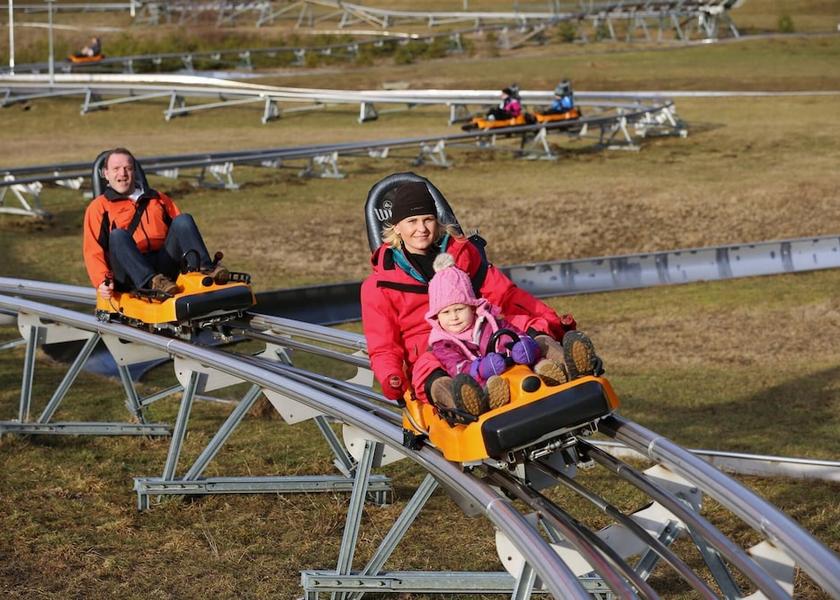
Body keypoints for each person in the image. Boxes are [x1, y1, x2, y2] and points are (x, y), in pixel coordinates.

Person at [360, 179, 598, 410]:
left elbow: (506, 295)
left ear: (437, 221)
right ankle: (463, 401)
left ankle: (568, 364)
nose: (421, 229)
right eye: (412, 221)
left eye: (428, 219)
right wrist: (392, 377)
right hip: (433, 347)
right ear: (396, 227)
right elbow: (383, 345)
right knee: (427, 367)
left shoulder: (463, 254)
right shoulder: (379, 286)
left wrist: (552, 323)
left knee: (523, 325)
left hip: (479, 331)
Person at [423, 252, 595, 417]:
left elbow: (513, 334)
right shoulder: (443, 343)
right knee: (472, 386)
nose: (453, 317)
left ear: (472, 308)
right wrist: (481, 368)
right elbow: (456, 367)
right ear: (436, 316)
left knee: (538, 348)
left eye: (459, 309)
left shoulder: (489, 321)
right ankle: (484, 402)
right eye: (446, 312)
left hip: (515, 372)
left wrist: (524, 346)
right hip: (481, 382)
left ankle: (566, 370)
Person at [82, 148, 228, 300]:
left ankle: (206, 269)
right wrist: (102, 281)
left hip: (164, 266)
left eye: (127, 168)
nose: (122, 173)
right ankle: (151, 282)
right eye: (116, 169)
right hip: (130, 272)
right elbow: (92, 250)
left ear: (134, 171)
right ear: (106, 174)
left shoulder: (158, 198)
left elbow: (182, 233)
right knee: (118, 235)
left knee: (183, 220)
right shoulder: (99, 207)